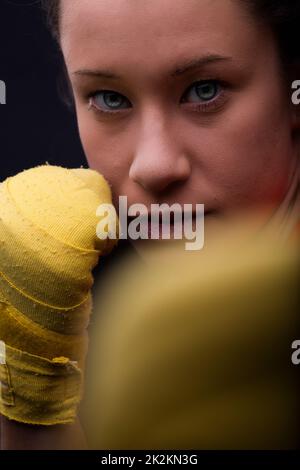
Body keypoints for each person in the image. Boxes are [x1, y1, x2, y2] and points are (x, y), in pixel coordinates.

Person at [0, 0, 299, 449]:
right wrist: (33, 401)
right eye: (109, 98)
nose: (154, 166)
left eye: (205, 89)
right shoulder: (92, 321)